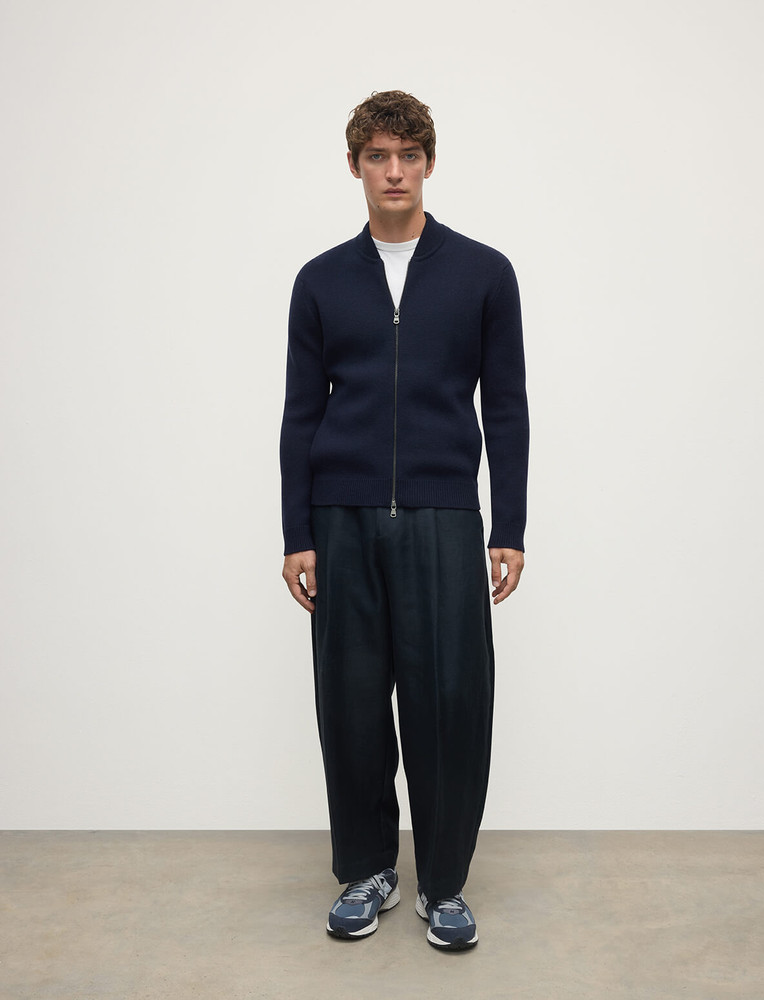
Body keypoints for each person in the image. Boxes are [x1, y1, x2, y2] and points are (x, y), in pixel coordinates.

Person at [279, 90, 529, 951]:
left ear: (429, 163)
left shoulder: (483, 272)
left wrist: (509, 525)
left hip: (442, 514)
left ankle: (445, 884)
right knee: (351, 702)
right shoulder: (320, 280)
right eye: (379, 157)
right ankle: (368, 870)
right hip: (341, 516)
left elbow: (507, 407)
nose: (395, 172)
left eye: (409, 156)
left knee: (451, 701)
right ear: (354, 165)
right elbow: (300, 413)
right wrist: (297, 532)